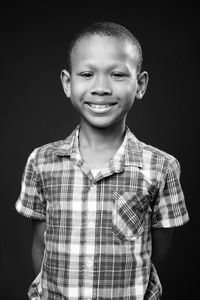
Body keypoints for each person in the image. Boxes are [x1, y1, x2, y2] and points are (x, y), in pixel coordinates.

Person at [15, 22, 189, 299]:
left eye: (118, 74)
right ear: (67, 83)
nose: (101, 88)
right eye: (87, 74)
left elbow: (158, 248)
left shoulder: (161, 167)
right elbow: (41, 243)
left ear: (140, 84)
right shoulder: (41, 161)